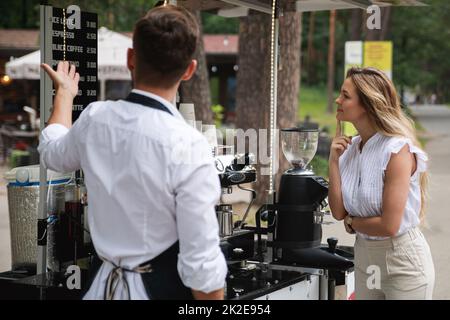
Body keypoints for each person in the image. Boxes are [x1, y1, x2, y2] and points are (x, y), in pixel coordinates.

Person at [38, 5, 227, 300]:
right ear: (190, 70)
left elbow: (51, 151)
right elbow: (203, 269)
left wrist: (64, 93)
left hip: (101, 291)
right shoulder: (189, 146)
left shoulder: (94, 119)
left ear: (130, 59)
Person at [328, 67, 435, 300]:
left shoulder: (397, 150)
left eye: (345, 96)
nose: (338, 100)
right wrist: (333, 161)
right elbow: (338, 212)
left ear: (367, 104)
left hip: (403, 265)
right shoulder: (350, 149)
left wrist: (352, 222)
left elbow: (389, 225)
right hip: (365, 259)